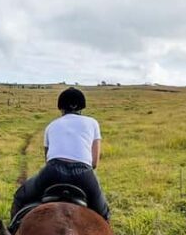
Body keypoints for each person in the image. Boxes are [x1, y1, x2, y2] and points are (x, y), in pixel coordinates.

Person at [10, 87, 111, 220]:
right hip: (84, 174)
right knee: (104, 213)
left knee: (20, 196)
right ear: (81, 107)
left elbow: (48, 159)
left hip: (52, 171)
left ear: (61, 108)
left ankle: (11, 233)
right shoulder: (92, 123)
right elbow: (94, 163)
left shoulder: (51, 126)